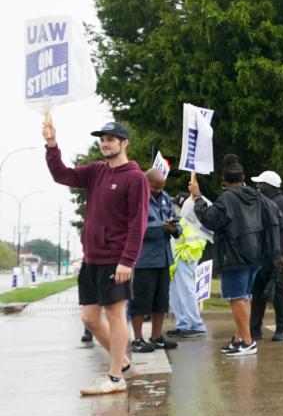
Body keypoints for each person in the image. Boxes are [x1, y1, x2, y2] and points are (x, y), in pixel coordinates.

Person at [43, 115, 149, 395]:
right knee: (89, 318)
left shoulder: (136, 178)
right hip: (91, 257)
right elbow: (61, 175)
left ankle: (115, 378)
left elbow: (137, 223)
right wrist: (52, 145)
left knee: (115, 315)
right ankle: (124, 365)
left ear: (124, 143)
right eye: (102, 140)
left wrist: (128, 260)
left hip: (116, 258)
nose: (105, 144)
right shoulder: (96, 171)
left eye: (110, 139)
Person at [188, 154, 281, 357]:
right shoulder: (257, 197)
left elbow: (210, 219)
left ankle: (247, 342)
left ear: (223, 179)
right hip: (256, 254)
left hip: (234, 256)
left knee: (237, 298)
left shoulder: (227, 199)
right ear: (243, 177)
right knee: (245, 297)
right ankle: (239, 338)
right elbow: (274, 216)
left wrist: (197, 197)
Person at [129, 168, 180, 352]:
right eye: (156, 187)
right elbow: (137, 225)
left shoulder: (165, 197)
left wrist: (175, 227)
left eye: (162, 186)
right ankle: (137, 339)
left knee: (161, 300)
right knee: (141, 301)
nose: (159, 190)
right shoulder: (137, 198)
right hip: (145, 259)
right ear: (146, 182)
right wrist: (161, 227)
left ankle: (157, 337)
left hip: (164, 258)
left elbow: (176, 218)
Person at [249, 170, 283, 342]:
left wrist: (279, 256)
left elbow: (282, 234)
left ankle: (282, 328)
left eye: (261, 184)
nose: (258, 187)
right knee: (258, 291)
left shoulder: (282, 204)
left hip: (276, 256)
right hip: (262, 255)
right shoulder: (267, 203)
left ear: (269, 187)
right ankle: (255, 329)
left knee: (279, 293)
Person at [165, 192, 209, 338]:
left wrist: (184, 256)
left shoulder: (190, 220)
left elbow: (196, 242)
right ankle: (182, 324)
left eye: (175, 204)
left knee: (186, 292)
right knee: (175, 294)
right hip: (176, 261)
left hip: (184, 260)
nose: (173, 207)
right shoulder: (182, 220)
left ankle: (196, 324)